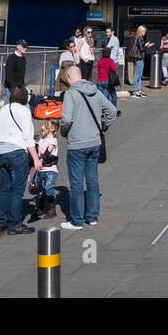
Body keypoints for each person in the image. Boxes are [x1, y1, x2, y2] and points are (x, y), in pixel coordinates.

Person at [59, 63, 116, 230]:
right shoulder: (95, 91)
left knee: (76, 183)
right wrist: (103, 127)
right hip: (95, 142)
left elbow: (67, 120)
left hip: (77, 144)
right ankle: (92, 217)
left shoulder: (71, 94)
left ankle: (76, 220)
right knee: (92, 180)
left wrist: (64, 132)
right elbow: (112, 111)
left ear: (69, 78)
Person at [0, 86, 41, 235]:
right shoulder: (24, 111)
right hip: (17, 152)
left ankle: (0, 222)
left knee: (4, 188)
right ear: (25, 96)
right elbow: (28, 138)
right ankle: (15, 224)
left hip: (1, 151)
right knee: (17, 189)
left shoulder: (3, 110)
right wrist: (36, 159)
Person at [29, 118, 60, 222]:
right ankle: (40, 209)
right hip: (41, 170)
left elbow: (47, 154)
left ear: (51, 129)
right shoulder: (42, 139)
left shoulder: (53, 140)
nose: (42, 127)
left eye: (44, 125)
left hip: (51, 170)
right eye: (42, 125)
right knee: (40, 191)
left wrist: (37, 147)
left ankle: (52, 210)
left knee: (49, 189)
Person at [3, 39, 29, 105]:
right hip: (10, 89)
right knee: (7, 109)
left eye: (26, 47)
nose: (25, 48)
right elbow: (8, 76)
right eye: (24, 47)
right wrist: (15, 88)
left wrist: (23, 87)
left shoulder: (24, 59)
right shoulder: (11, 59)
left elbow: (21, 75)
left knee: (25, 107)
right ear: (18, 47)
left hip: (20, 88)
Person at [95, 45, 120, 112]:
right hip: (107, 81)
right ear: (109, 53)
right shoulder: (110, 60)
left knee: (101, 97)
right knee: (113, 95)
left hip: (99, 81)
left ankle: (101, 111)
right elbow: (114, 69)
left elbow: (98, 68)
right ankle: (113, 110)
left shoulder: (100, 60)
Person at [126, 25, 149, 98]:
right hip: (139, 58)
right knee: (137, 75)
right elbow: (141, 49)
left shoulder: (139, 38)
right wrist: (146, 45)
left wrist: (145, 45)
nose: (145, 33)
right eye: (144, 31)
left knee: (139, 74)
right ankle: (135, 90)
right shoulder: (139, 38)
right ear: (141, 31)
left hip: (139, 58)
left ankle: (138, 90)